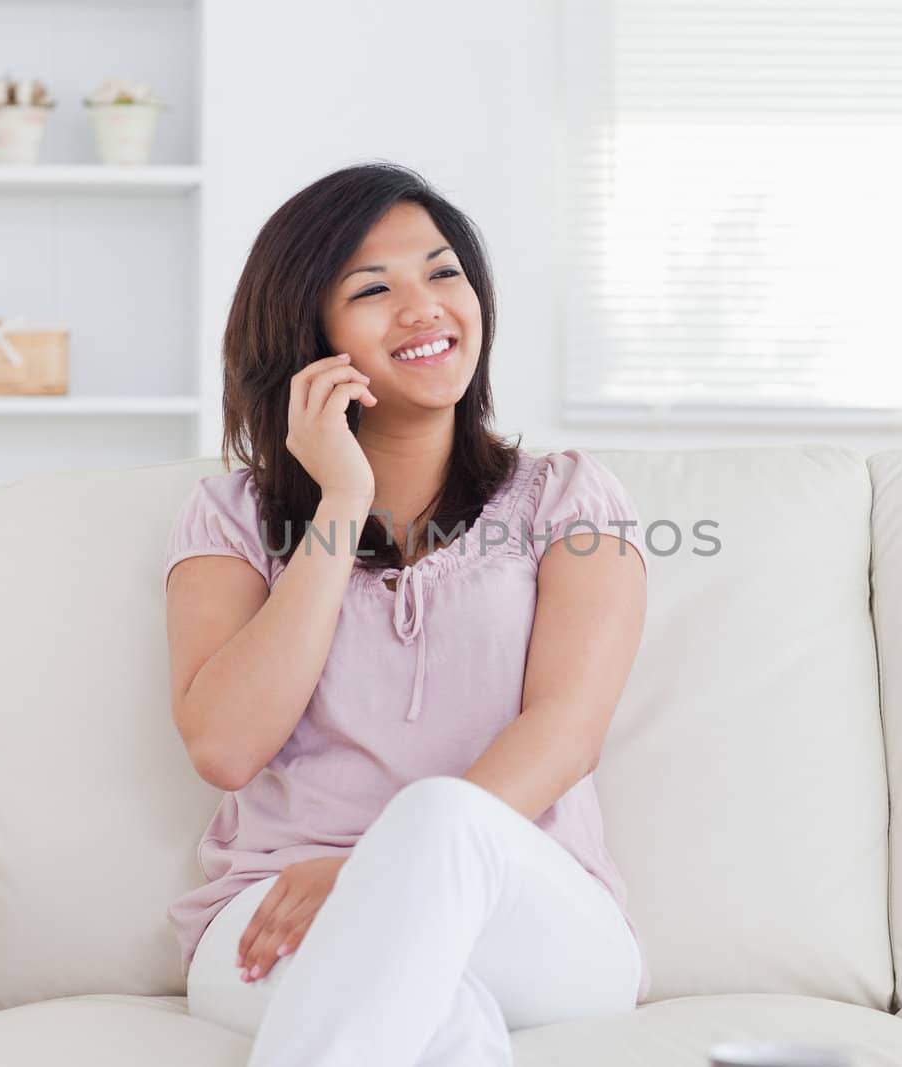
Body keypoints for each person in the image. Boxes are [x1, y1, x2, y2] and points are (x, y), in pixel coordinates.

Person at [163, 161, 650, 1066]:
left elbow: (567, 729)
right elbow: (226, 746)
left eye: (444, 272)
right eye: (374, 289)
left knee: (436, 820)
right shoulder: (229, 517)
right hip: (274, 908)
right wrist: (340, 501)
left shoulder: (569, 496)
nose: (425, 307)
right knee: (438, 1017)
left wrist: (374, 874)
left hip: (526, 910)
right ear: (308, 335)